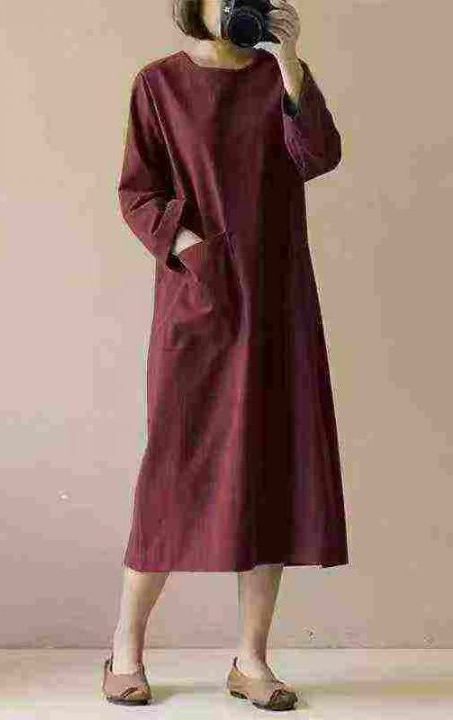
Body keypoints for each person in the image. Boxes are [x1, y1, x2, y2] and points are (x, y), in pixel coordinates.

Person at [102, 0, 349, 710]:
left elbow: (318, 157)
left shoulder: (280, 80)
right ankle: (125, 648)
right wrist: (192, 250)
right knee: (174, 470)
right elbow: (138, 192)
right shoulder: (159, 84)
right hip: (200, 304)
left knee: (270, 469)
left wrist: (291, 66)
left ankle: (250, 661)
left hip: (277, 304)